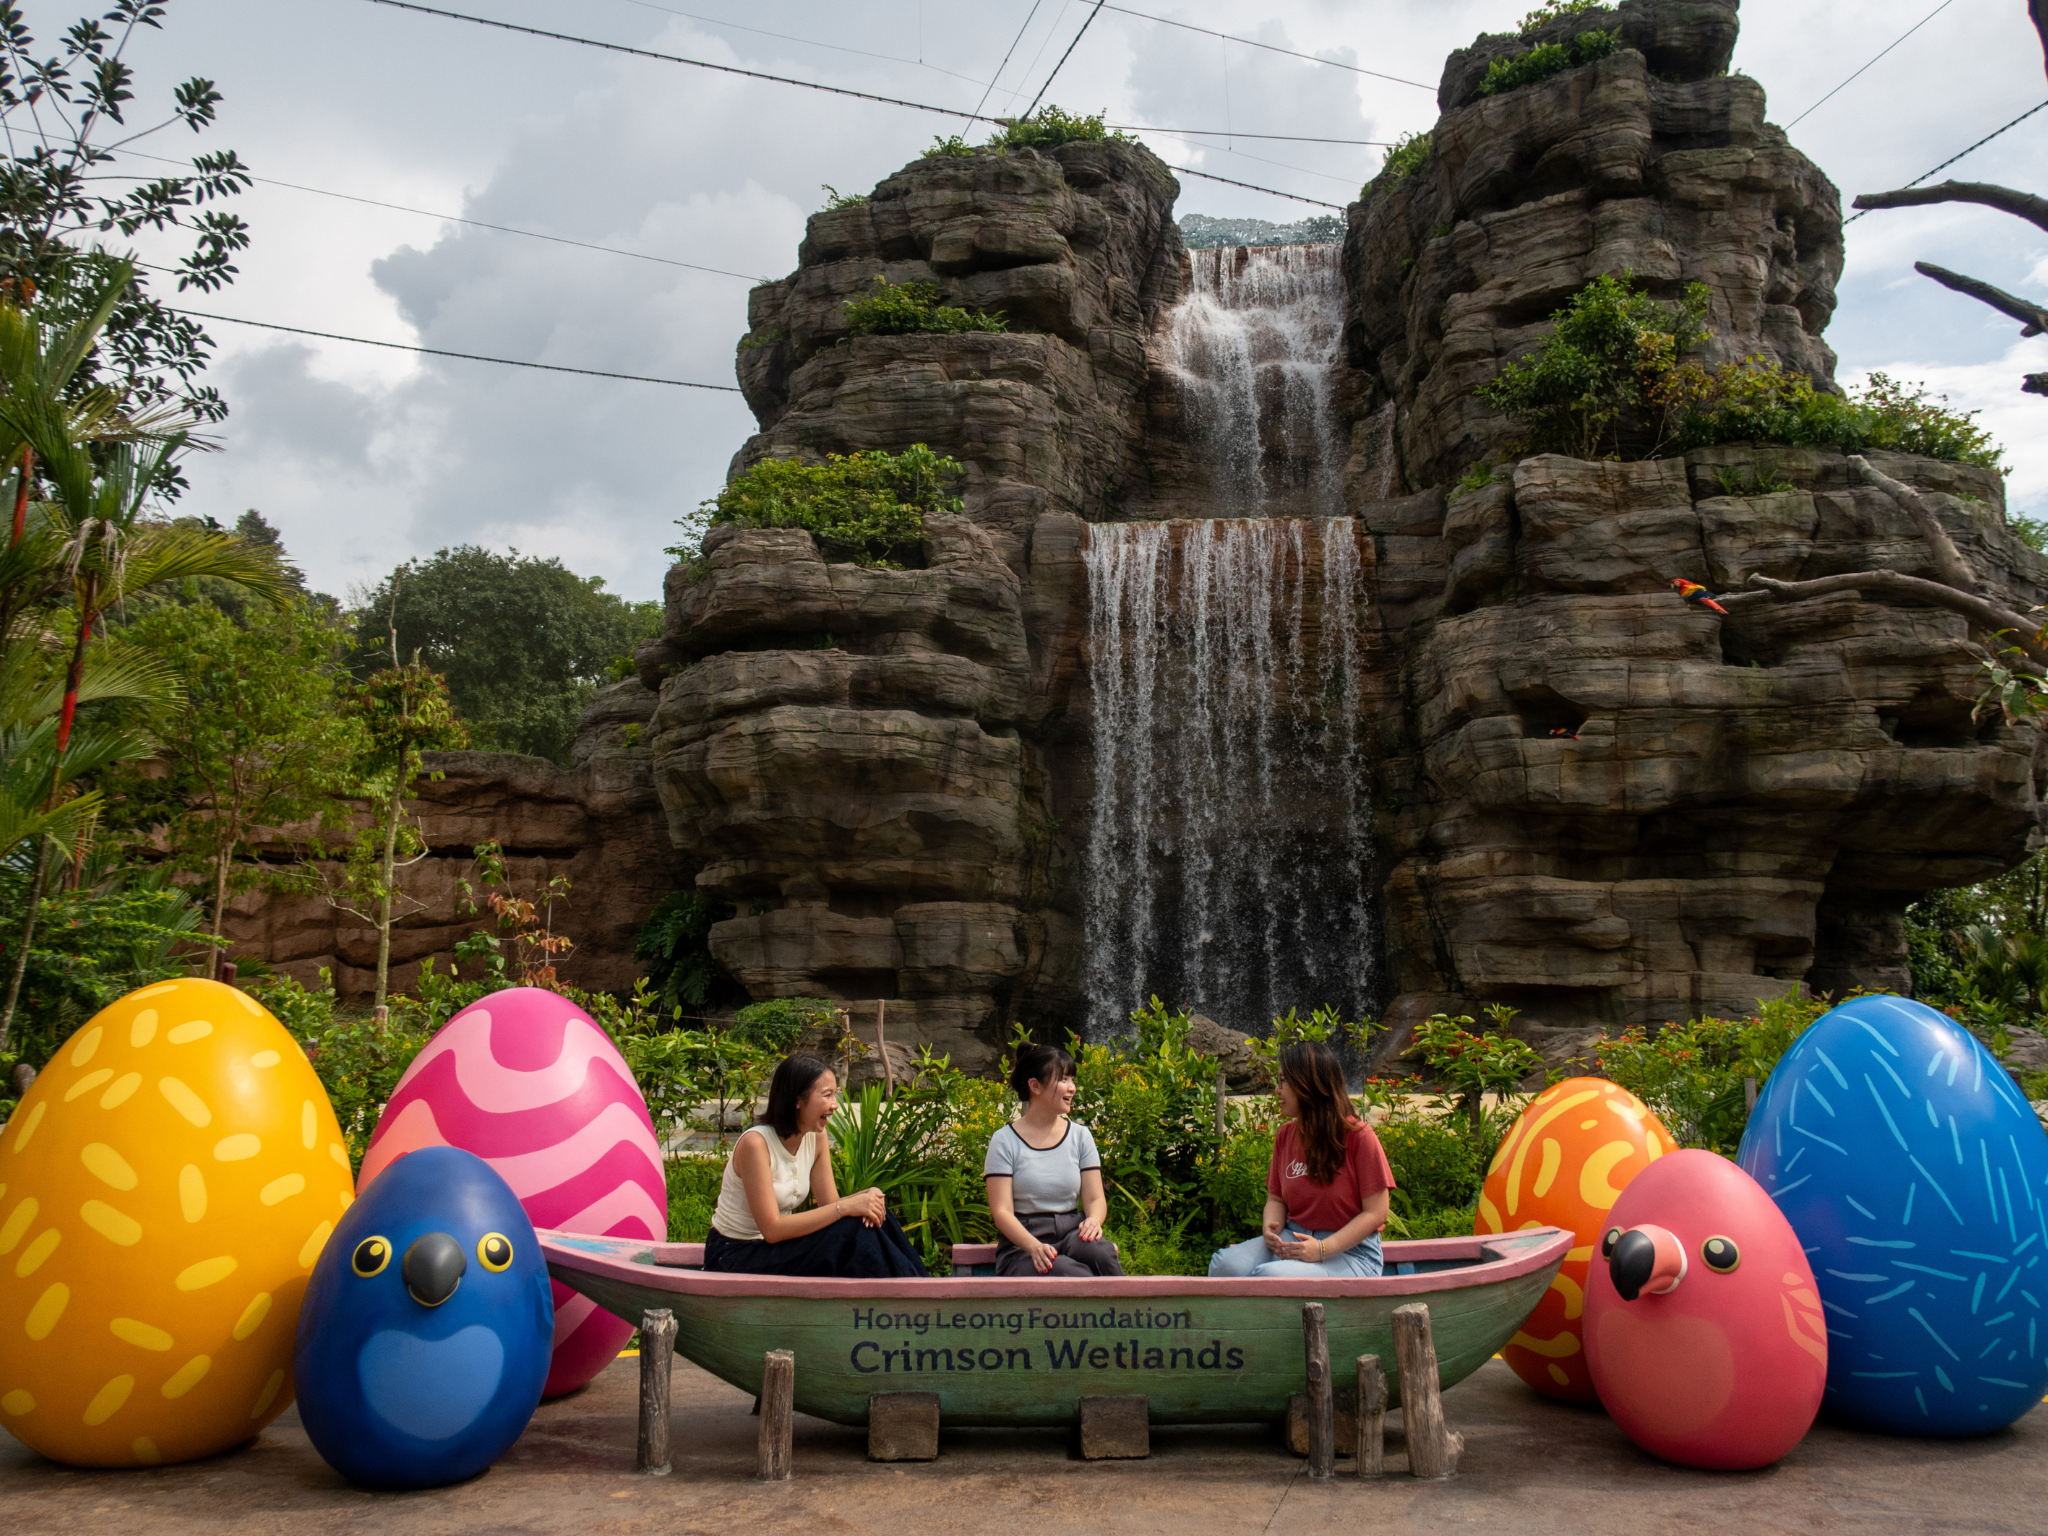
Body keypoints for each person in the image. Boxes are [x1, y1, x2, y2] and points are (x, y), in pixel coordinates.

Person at [704, 1053, 928, 1277]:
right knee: (852, 1235)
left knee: (878, 1214)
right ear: (798, 1101)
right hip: (734, 1255)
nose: (834, 1106)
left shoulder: (815, 1137)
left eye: (835, 1095)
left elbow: (830, 1204)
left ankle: (922, 1286)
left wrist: (867, 1197)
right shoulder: (755, 1145)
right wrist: (849, 1206)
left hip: (772, 1249)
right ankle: (909, 1298)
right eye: (827, 1095)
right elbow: (772, 1229)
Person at [1208, 1039, 1394, 1279]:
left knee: (1271, 1277)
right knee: (1224, 1265)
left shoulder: (1359, 1138)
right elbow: (1276, 1198)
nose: (1277, 1089)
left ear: (1308, 1085)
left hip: (1351, 1253)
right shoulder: (1285, 1135)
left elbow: (1376, 1214)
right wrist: (1270, 1229)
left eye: (1283, 1081)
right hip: (1293, 1239)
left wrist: (1322, 1248)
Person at [984, 1043, 1125, 1277]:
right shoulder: (1004, 1141)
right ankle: (1105, 1313)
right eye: (1063, 1080)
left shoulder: (1081, 1136)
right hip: (1023, 1246)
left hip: (1072, 1233)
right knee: (1070, 1273)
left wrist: (1093, 1220)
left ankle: (1127, 1313)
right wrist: (1034, 1246)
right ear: (1035, 1086)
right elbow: (1002, 1212)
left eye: (1072, 1080)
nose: (1072, 1088)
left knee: (1102, 1254)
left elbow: (1095, 1198)